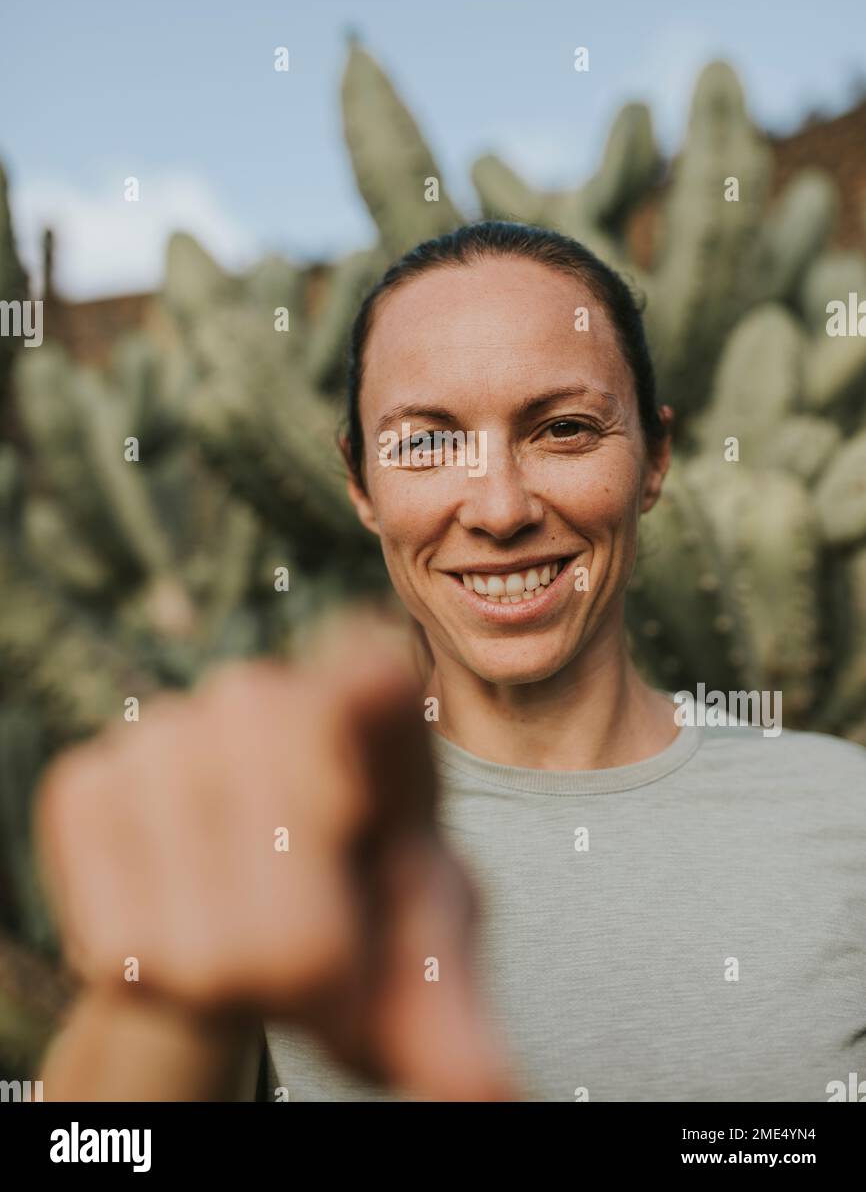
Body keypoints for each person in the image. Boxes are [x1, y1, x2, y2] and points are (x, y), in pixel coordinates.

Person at [35, 221, 866, 1103]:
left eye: (565, 429)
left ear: (654, 460)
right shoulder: (295, 828)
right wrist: (167, 996)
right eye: (426, 443)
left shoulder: (843, 809)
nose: (501, 508)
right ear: (359, 484)